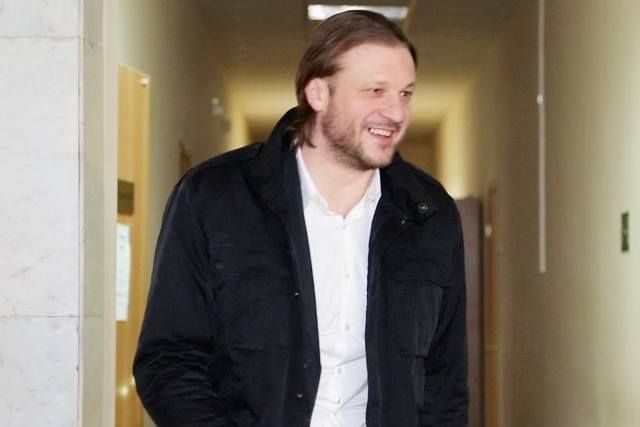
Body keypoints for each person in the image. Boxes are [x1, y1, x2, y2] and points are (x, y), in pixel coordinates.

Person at [134, 10, 468, 427]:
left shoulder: (429, 214)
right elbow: (168, 360)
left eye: (405, 93)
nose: (396, 112)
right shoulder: (214, 197)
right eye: (375, 91)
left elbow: (445, 383)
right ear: (318, 94)